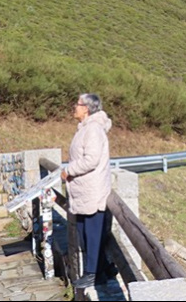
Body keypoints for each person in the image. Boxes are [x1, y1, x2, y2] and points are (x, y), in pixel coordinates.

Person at [61, 93, 114, 289]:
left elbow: (91, 159)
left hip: (92, 191)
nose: (74, 107)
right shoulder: (86, 128)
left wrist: (69, 171)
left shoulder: (93, 129)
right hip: (85, 191)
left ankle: (93, 274)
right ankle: (102, 269)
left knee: (91, 235)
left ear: (86, 108)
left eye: (77, 104)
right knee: (85, 232)